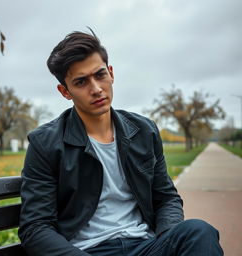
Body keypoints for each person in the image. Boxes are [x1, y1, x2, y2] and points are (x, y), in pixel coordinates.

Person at [18, 29, 223, 256]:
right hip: (89, 251)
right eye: (81, 82)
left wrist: (167, 242)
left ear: (111, 73)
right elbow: (36, 227)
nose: (96, 89)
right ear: (65, 92)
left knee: (199, 232)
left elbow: (166, 198)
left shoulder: (145, 131)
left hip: (145, 247)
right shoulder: (45, 143)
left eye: (100, 75)